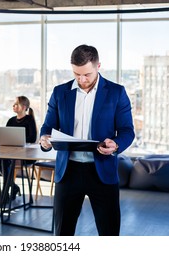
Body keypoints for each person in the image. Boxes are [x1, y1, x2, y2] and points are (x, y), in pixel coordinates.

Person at [39, 45, 135, 236]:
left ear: (98, 66)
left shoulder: (116, 93)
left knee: (109, 232)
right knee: (62, 233)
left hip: (102, 171)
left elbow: (127, 131)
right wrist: (44, 138)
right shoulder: (60, 92)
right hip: (68, 172)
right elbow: (48, 126)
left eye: (87, 74)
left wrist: (116, 144)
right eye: (77, 74)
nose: (82, 80)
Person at [0, 96, 37, 206]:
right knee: (0, 161)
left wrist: (20, 140)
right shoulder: (11, 120)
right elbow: (6, 136)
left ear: (23, 107)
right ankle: (13, 187)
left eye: (16, 104)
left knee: (4, 162)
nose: (13, 106)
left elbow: (32, 138)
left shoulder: (29, 120)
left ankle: (4, 195)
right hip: (11, 152)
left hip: (26, 154)